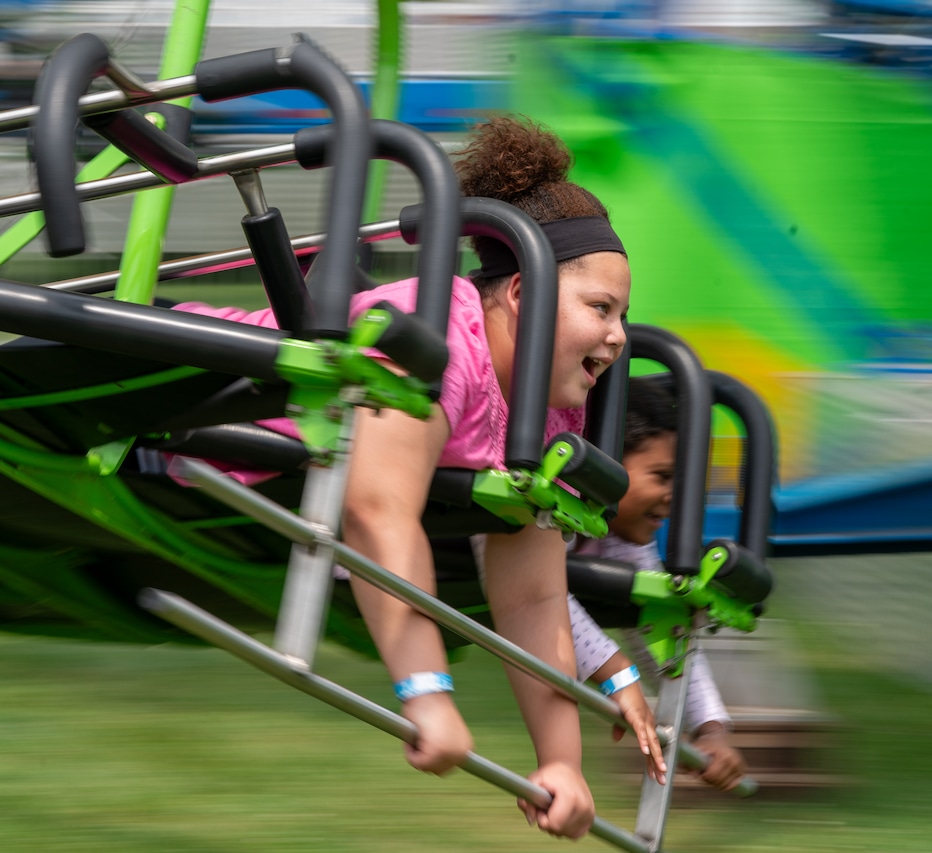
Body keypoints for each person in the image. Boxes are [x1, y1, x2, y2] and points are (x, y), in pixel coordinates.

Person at [174, 116, 629, 840]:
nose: (619, 335)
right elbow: (377, 507)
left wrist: (563, 761)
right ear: (521, 293)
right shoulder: (439, 333)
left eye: (623, 315)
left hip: (231, 480)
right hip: (155, 397)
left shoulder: (550, 421)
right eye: (600, 309)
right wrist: (425, 691)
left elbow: (535, 593)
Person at [568, 377, 747, 792]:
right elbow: (539, 598)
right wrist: (618, 678)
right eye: (662, 476)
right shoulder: (557, 518)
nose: (674, 495)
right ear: (605, 464)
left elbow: (662, 627)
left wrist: (709, 727)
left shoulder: (624, 542)